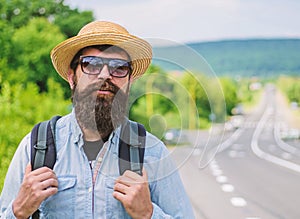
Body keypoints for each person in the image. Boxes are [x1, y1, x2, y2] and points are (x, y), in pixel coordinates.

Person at [0, 21, 194, 218]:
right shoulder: (35, 148)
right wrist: (18, 211)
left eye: (119, 67)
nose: (105, 75)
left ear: (129, 81)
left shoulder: (151, 152)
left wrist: (149, 214)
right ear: (71, 77)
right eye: (91, 64)